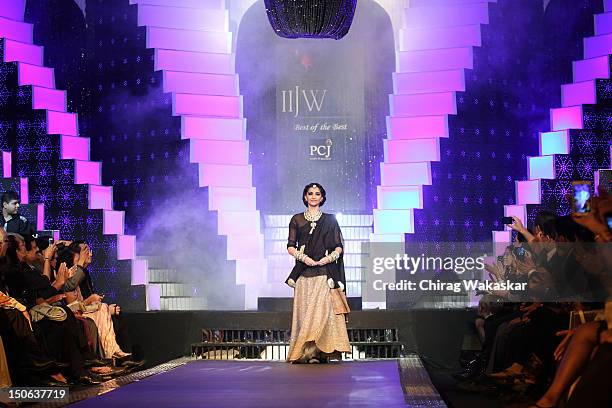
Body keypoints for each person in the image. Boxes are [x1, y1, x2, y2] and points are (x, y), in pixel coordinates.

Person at [285, 183, 350, 363]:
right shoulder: (297, 219)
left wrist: (326, 260)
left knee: (321, 313)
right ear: (305, 197)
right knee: (306, 314)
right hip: (304, 274)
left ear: (322, 198)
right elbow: (290, 247)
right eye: (310, 193)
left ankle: (319, 352)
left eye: (317, 194)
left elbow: (338, 247)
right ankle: (307, 352)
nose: (314, 196)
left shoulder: (330, 220)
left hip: (324, 273)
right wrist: (305, 258)